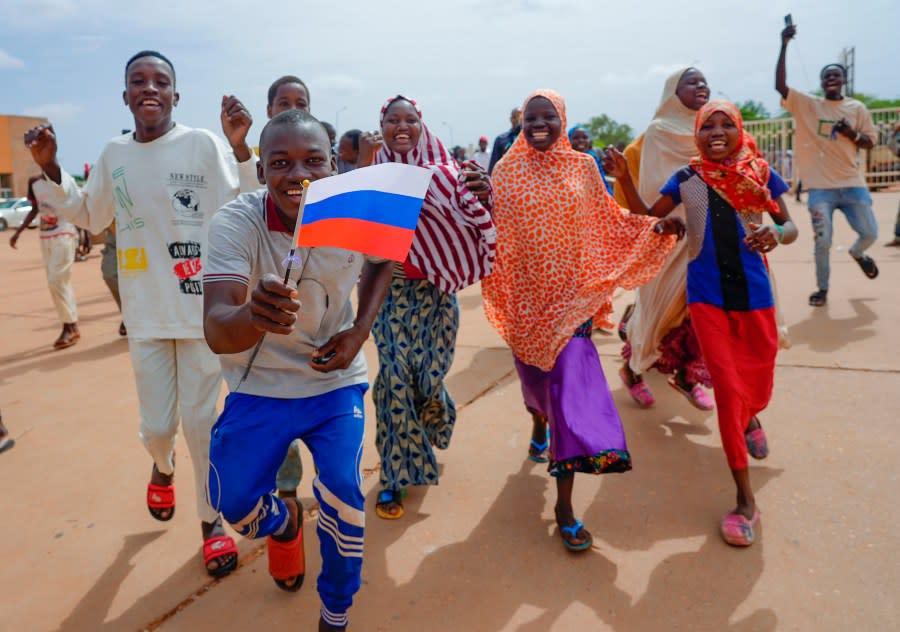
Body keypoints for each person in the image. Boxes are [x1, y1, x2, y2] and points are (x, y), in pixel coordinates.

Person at [26, 50, 258, 576]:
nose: (149, 88)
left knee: (201, 425)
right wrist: (50, 168)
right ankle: (161, 465)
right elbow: (91, 213)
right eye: (138, 81)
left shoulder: (201, 145)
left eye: (161, 81)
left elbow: (247, 199)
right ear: (125, 95)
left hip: (203, 314)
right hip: (147, 315)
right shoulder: (114, 154)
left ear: (177, 94)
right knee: (158, 427)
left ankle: (209, 522)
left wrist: (241, 145)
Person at [204, 110, 394, 631]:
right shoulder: (235, 223)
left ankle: (335, 610)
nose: (299, 175)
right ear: (260, 169)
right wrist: (252, 315)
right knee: (231, 501)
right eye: (281, 163)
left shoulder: (356, 211)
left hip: (332, 381)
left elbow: (382, 260)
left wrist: (359, 331)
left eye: (313, 161)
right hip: (259, 383)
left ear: (333, 165)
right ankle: (282, 520)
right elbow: (218, 328)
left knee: (342, 492)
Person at [482, 89, 684, 552]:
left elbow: (607, 220)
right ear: (520, 123)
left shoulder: (582, 167)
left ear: (561, 119)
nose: (539, 124)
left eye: (547, 116)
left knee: (570, 397)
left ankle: (565, 507)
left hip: (572, 303)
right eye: (530, 117)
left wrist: (652, 229)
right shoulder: (505, 172)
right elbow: (490, 232)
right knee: (537, 387)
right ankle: (538, 420)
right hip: (526, 305)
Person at [606, 99, 799, 547]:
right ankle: (745, 503)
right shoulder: (689, 179)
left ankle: (753, 418)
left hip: (756, 300)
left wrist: (777, 233)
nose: (716, 132)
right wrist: (626, 179)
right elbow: (652, 216)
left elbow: (789, 226)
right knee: (730, 395)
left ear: (738, 130)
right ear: (696, 133)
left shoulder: (760, 173)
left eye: (725, 124)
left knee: (757, 387)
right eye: (707, 125)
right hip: (708, 300)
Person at [357, 95, 496, 520]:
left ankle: (435, 415)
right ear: (381, 126)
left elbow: (476, 222)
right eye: (392, 120)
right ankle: (396, 474)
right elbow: (362, 231)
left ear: (422, 124)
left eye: (410, 119)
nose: (402, 126)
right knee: (395, 379)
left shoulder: (451, 175)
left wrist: (485, 194)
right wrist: (365, 168)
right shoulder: (371, 174)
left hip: (437, 294)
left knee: (428, 378)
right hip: (390, 294)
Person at [616, 67, 715, 411]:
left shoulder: (715, 126)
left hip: (710, 236)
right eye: (691, 81)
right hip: (671, 233)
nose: (701, 85)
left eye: (704, 80)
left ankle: (688, 377)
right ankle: (632, 370)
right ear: (673, 91)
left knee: (701, 313)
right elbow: (656, 186)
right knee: (658, 313)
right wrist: (667, 224)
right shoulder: (659, 132)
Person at [776, 22, 879, 307]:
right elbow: (780, 85)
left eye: (836, 75)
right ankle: (822, 289)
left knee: (870, 233)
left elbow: (870, 142)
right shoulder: (808, 105)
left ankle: (859, 253)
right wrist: (784, 44)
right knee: (823, 241)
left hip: (853, 185)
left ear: (843, 80)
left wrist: (851, 133)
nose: (832, 78)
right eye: (827, 76)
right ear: (822, 82)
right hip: (820, 189)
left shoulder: (857, 109)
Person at [9, 175, 81, 350]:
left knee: (56, 280)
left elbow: (76, 208)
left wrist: (85, 236)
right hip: (45, 237)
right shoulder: (33, 182)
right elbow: (35, 209)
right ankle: (72, 326)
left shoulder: (64, 179)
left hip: (65, 233)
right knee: (59, 283)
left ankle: (68, 325)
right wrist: (18, 232)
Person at [568, 125, 613, 193]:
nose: (581, 140)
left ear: (589, 141)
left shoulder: (593, 158)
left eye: (585, 137)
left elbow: (601, 182)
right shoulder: (565, 161)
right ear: (568, 141)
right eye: (576, 138)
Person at [488, 107, 522, 173]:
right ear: (511, 119)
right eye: (515, 117)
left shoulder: (530, 141)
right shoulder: (501, 140)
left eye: (520, 117)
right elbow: (493, 166)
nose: (518, 120)